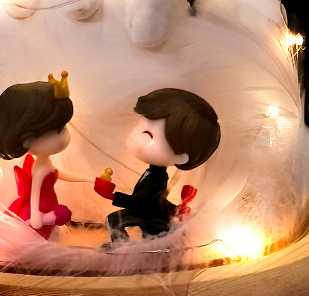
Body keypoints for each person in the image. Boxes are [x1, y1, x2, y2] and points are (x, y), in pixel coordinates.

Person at [95, 88, 221, 242]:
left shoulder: (157, 178)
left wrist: (112, 195)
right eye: (139, 127)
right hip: (149, 212)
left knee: (115, 220)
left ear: (181, 157)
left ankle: (121, 246)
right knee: (116, 220)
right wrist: (174, 208)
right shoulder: (155, 174)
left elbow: (140, 203)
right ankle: (121, 245)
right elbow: (158, 200)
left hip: (150, 217)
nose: (136, 138)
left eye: (148, 135)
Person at [0, 71, 86, 239]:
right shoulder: (39, 169)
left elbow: (57, 173)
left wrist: (88, 178)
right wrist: (35, 215)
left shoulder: (44, 164)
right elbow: (35, 192)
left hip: (48, 205)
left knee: (51, 234)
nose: (64, 136)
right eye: (57, 130)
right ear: (27, 139)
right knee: (41, 236)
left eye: (63, 127)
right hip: (41, 210)